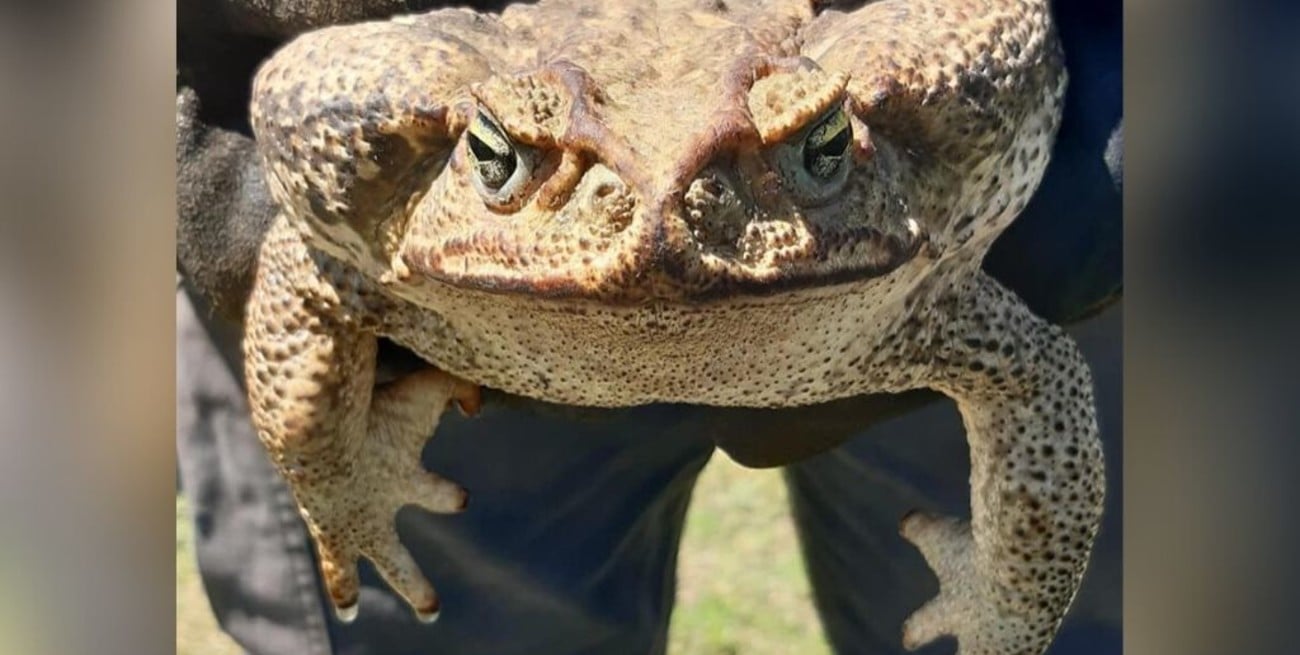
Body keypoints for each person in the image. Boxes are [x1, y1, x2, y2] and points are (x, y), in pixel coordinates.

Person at [176, 1, 1121, 652]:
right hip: (464, 300)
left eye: (824, 147)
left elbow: (1035, 374)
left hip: (890, 261)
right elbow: (306, 270)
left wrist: (1015, 596)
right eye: (505, 158)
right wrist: (341, 474)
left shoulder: (928, 291)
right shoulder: (399, 242)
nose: (657, 224)